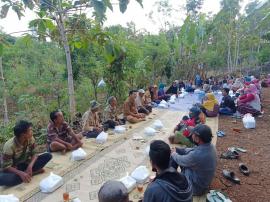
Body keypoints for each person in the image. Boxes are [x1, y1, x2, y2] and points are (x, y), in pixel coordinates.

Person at [0, 120, 52, 186]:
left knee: (48, 156)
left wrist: (30, 166)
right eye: (30, 130)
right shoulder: (9, 146)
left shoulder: (30, 138)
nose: (32, 131)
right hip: (15, 168)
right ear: (23, 134)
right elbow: (6, 167)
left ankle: (27, 173)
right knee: (2, 179)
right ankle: (32, 173)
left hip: (26, 164)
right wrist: (20, 173)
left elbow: (35, 153)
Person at [170, 124, 217, 196]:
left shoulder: (197, 155)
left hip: (196, 188)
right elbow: (193, 149)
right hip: (203, 182)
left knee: (175, 157)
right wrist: (179, 150)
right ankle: (170, 174)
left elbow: (181, 160)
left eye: (193, 134)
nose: (191, 135)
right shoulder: (210, 146)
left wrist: (173, 153)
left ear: (197, 138)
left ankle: (169, 179)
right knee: (179, 151)